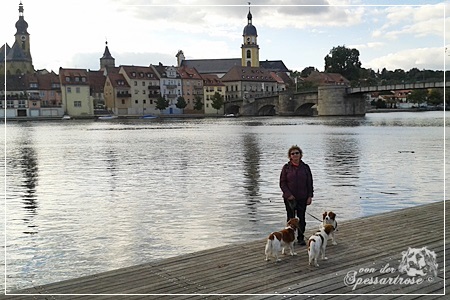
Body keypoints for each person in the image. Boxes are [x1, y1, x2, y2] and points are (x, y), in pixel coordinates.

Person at [279, 145, 314, 246]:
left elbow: (310, 183)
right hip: (289, 198)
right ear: (290, 156)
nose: (295, 155)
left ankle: (300, 238)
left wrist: (310, 196)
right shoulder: (286, 168)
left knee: (301, 219)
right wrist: (288, 194)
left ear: (300, 155)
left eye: (297, 153)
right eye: (292, 153)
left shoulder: (306, 167)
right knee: (290, 218)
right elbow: (282, 183)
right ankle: (289, 238)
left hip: (302, 197)